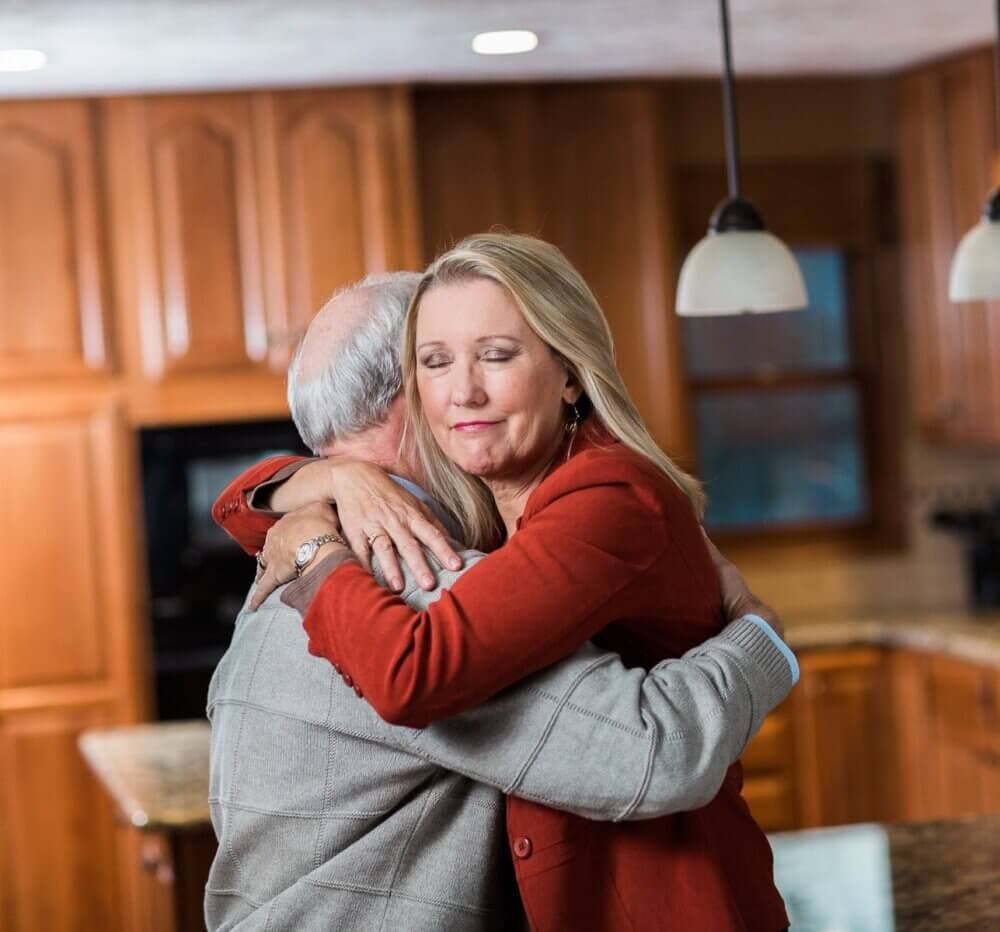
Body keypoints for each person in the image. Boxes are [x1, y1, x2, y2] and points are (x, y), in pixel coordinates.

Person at [209, 271, 797, 930]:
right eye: (439, 361)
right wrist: (763, 640)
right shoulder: (415, 573)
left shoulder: (284, 565)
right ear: (419, 396)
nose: (468, 391)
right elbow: (654, 755)